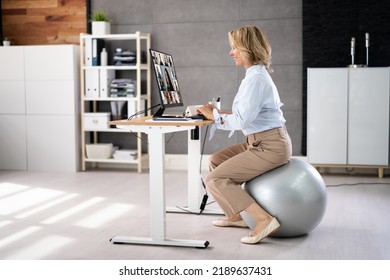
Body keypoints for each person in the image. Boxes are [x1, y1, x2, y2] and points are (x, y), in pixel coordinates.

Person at [197, 25, 292, 244]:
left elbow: (241, 121)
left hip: (270, 146)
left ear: (248, 49)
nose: (231, 53)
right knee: (216, 161)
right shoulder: (253, 75)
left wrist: (214, 117)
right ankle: (236, 215)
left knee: (215, 179)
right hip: (258, 141)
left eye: (234, 48)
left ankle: (263, 219)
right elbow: (244, 114)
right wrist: (218, 113)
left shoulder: (256, 79)